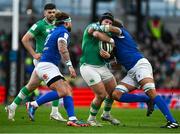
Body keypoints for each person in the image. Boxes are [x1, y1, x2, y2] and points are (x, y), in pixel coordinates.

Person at [92, 19, 179, 129]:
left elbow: (112, 28)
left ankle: (172, 121)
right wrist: (107, 60)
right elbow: (118, 65)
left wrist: (99, 27)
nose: (108, 26)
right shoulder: (112, 42)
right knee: (116, 95)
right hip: (132, 71)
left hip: (140, 65)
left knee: (151, 92)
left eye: (110, 24)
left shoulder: (121, 32)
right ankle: (147, 99)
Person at [26, 11, 89, 127]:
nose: (71, 25)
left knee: (68, 90)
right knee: (63, 91)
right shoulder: (63, 32)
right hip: (47, 66)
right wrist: (70, 66)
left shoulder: (54, 31)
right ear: (66, 23)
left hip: (45, 65)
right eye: (70, 22)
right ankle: (34, 104)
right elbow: (62, 48)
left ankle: (72, 118)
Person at [5, 3, 66, 122]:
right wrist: (34, 54)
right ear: (44, 13)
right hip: (42, 60)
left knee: (31, 86)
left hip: (51, 59)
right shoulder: (39, 25)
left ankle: (12, 107)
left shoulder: (57, 23)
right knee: (59, 84)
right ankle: (54, 112)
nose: (52, 14)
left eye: (53, 12)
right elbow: (25, 39)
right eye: (49, 12)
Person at [79, 12, 122, 127]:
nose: (108, 24)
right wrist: (111, 41)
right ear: (101, 22)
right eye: (106, 22)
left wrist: (109, 57)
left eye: (110, 23)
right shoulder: (92, 26)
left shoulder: (108, 33)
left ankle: (106, 114)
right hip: (88, 66)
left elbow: (111, 56)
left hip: (102, 66)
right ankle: (91, 119)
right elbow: (96, 34)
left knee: (113, 93)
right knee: (101, 94)